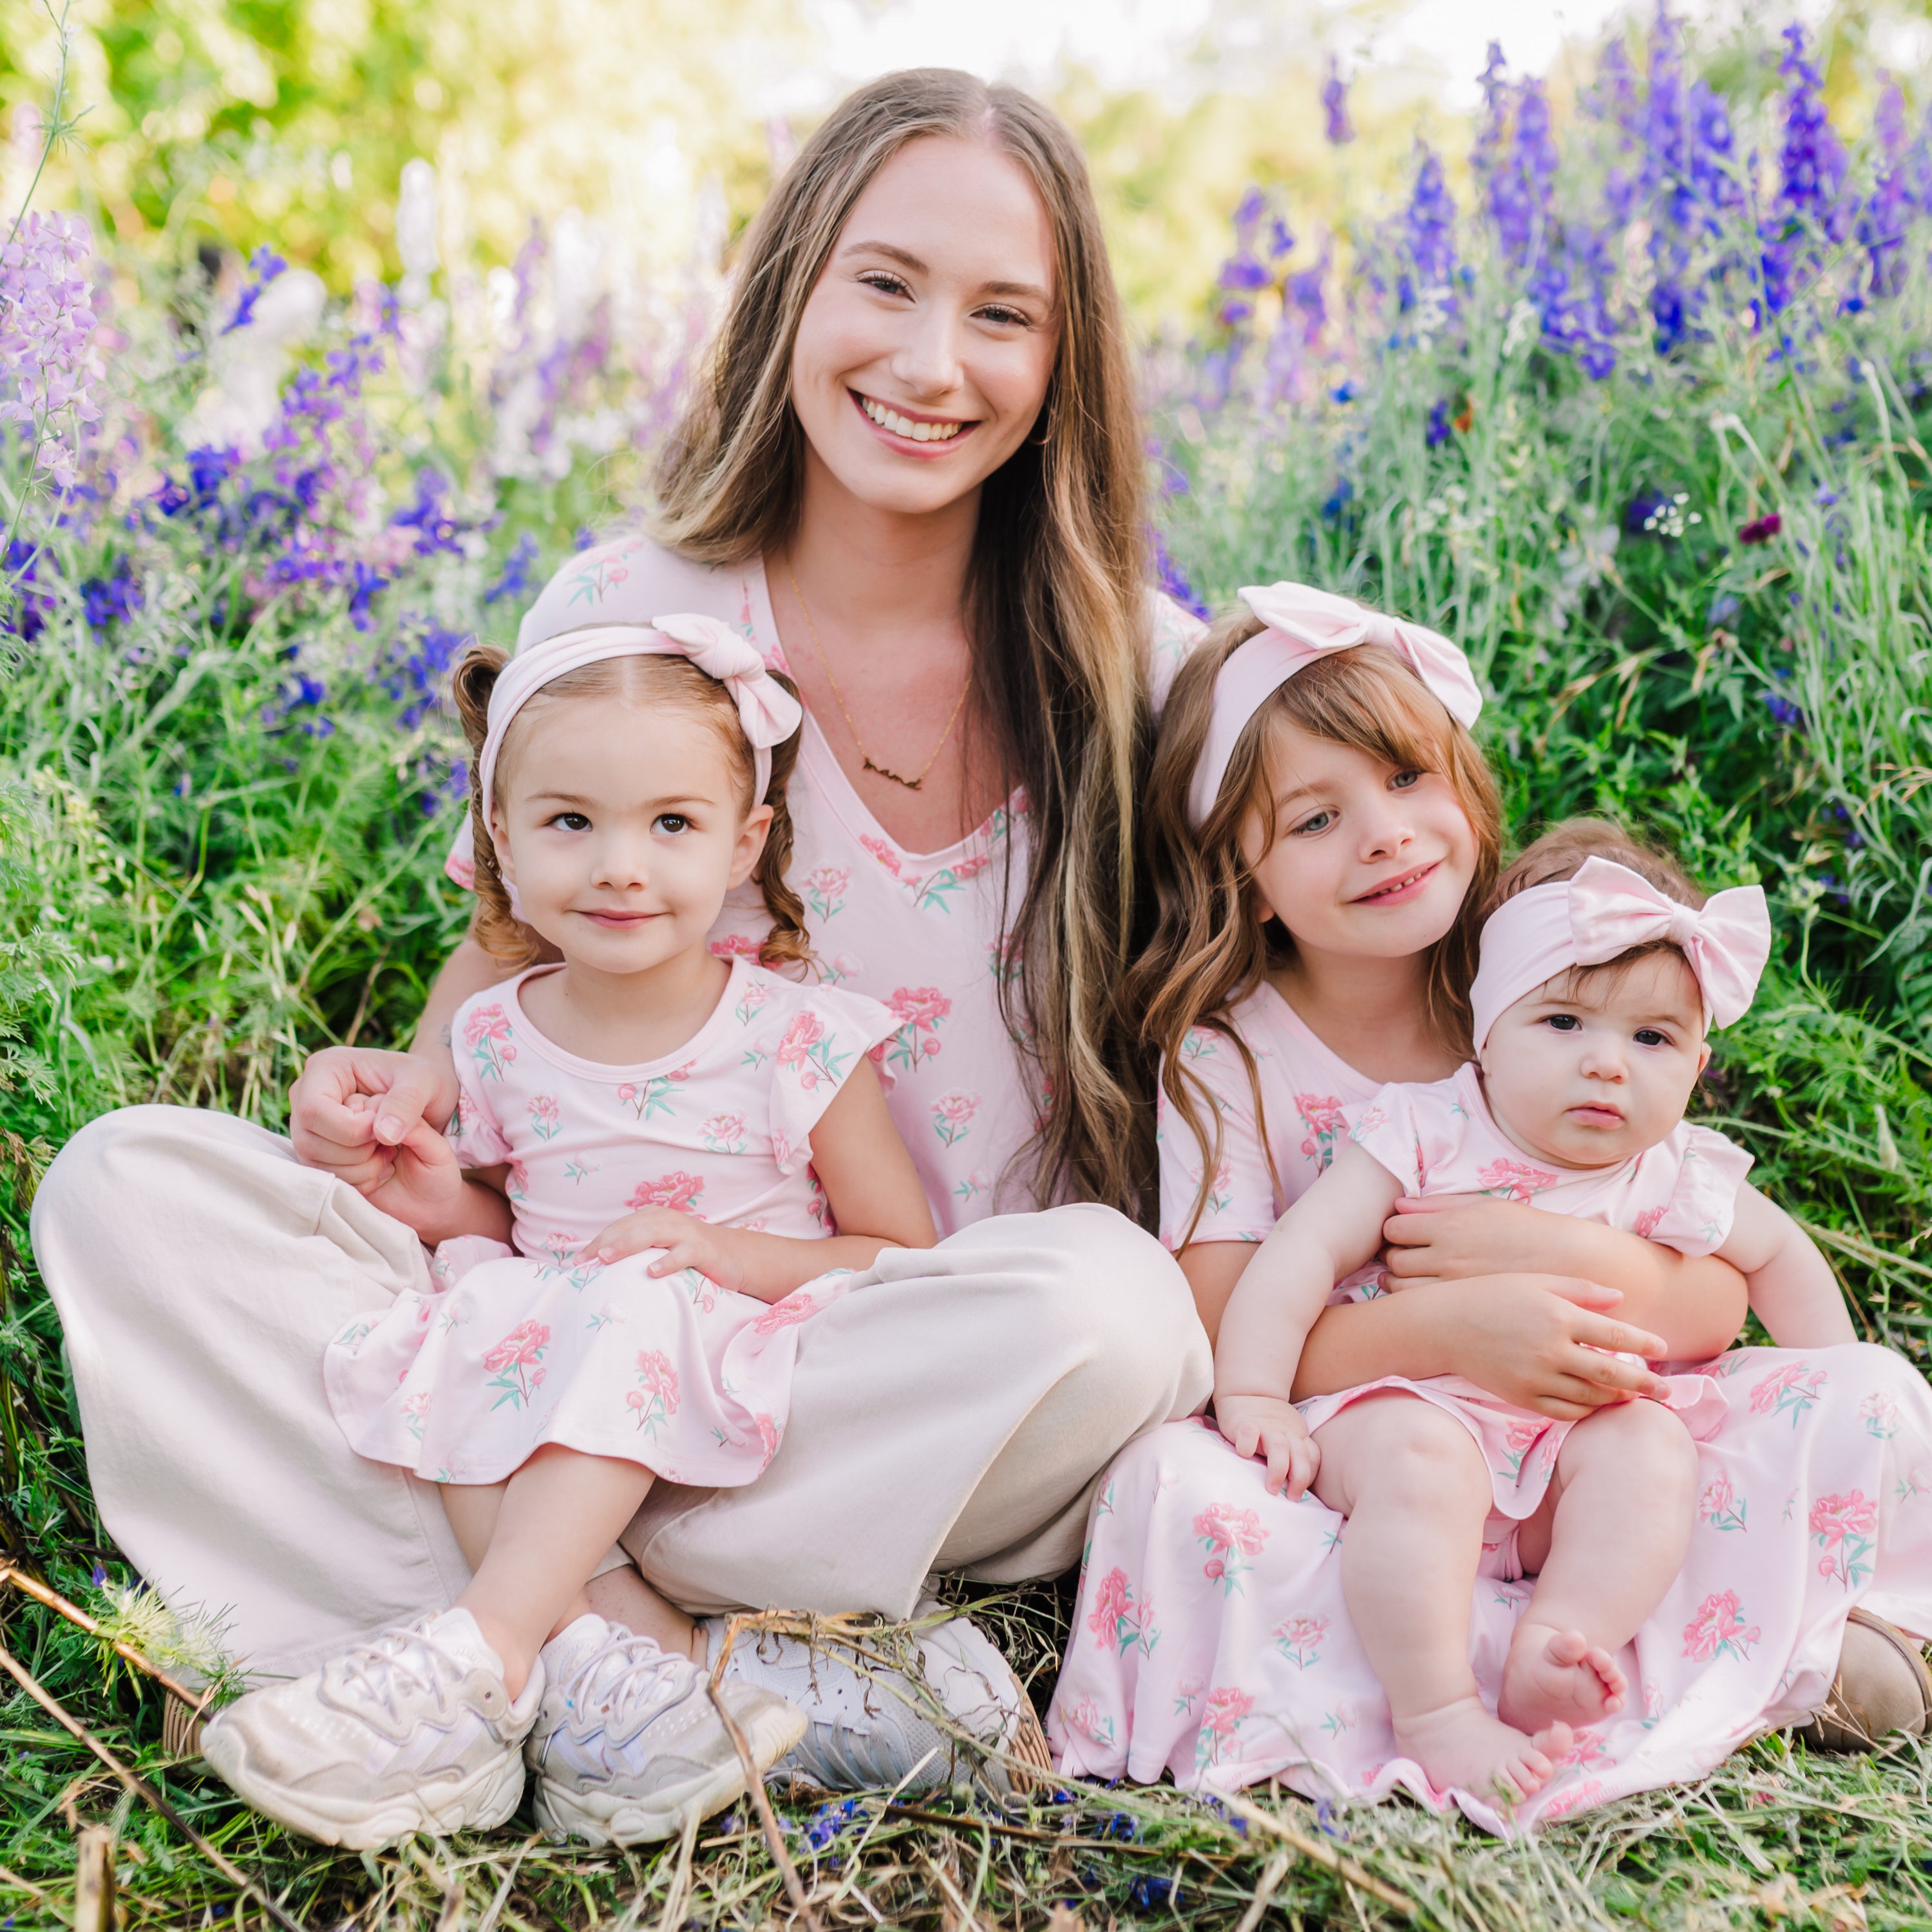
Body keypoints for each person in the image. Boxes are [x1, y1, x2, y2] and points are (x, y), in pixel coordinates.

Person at [30, 69, 1210, 1800]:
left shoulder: (1137, 672)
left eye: (1003, 315)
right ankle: (667, 1665)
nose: (933, 360)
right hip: (570, 1311)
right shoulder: (626, 607)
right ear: (794, 286)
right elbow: (513, 964)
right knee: (128, 1187)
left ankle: (510, 1616)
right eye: (884, 283)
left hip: (871, 1372)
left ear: (1064, 364)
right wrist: (404, 1104)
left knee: (1120, 1312)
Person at [1050, 583, 1932, 1830]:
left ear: (1465, 782)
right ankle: (1497, 1693)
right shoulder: (1229, 1054)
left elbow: (1719, 1294)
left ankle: (1621, 1648)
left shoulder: (1541, 981)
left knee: (1834, 1404)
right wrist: (1456, 1333)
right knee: (1185, 1495)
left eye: (1411, 780)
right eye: (1316, 817)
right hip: (1366, 1446)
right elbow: (1218, 1318)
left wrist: (1545, 1256)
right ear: (1242, 879)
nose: (1386, 837)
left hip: (1592, 1420)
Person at [203, 619, 948, 1846]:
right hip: (565, 1356)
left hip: (742, 1357)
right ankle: (613, 1679)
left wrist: (721, 1254)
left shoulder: (795, 1035)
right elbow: (520, 1223)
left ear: (745, 844)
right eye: (569, 822)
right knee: (474, 1308)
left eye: (672, 824)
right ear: (499, 837)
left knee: (626, 1298)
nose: (620, 867)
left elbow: (896, 1248)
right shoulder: (492, 1037)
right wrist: (441, 1203)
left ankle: (482, 1650)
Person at [1218, 809, 1853, 1804]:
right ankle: (1438, 1715)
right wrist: (1253, 1393)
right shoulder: (1427, 1130)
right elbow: (1304, 1249)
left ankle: (1563, 1642)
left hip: (1571, 1458)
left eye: (1652, 1037)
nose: (1606, 1063)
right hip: (1421, 1414)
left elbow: (1784, 1261)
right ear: (1486, 1030)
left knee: (1651, 1450)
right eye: (1562, 1022)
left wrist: (1839, 1398)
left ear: (1694, 1068)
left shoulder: (1673, 1172)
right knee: (1420, 1461)